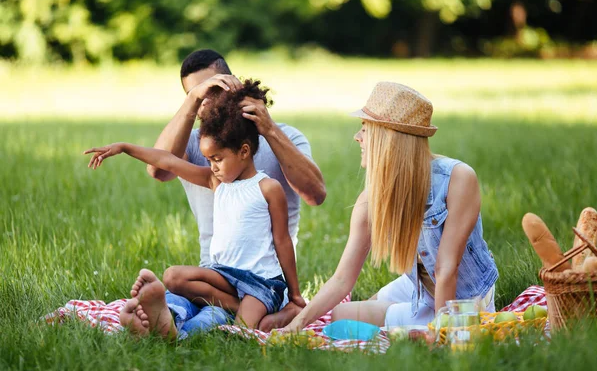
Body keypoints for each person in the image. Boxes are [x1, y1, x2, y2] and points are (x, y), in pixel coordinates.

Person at [84, 79, 305, 337]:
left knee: (243, 332)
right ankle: (234, 308)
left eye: (217, 159)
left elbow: (282, 241)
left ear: (244, 151)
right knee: (173, 277)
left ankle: (276, 313)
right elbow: (168, 160)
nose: (212, 166)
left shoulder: (268, 188)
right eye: (209, 159)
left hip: (261, 284)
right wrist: (124, 148)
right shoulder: (215, 181)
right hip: (224, 276)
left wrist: (295, 293)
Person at [283, 82, 498, 331]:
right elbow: (342, 279)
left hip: (462, 301)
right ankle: (407, 325)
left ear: (388, 137)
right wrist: (295, 326)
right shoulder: (371, 199)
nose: (357, 137)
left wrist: (443, 333)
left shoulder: (457, 179)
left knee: (351, 319)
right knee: (341, 314)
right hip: (417, 285)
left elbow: (446, 269)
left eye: (365, 129)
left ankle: (415, 329)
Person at [148, 50, 326, 333]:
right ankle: (162, 319)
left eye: (212, 89)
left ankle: (183, 328)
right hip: (213, 276)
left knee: (212, 322)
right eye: (196, 95)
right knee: (173, 300)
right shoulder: (200, 143)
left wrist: (268, 129)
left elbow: (316, 194)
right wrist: (192, 101)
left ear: (234, 84)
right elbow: (159, 169)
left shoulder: (285, 136)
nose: (206, 103)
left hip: (261, 280)